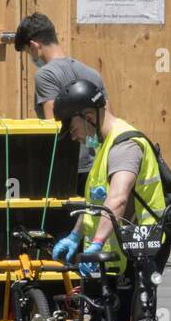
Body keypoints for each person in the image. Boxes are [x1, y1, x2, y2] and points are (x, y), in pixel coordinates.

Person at [50, 80, 168, 321]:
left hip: (137, 250)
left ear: (89, 116)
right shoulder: (105, 146)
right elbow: (98, 203)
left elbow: (118, 198)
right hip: (117, 253)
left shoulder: (124, 146)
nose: (74, 136)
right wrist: (76, 235)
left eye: (74, 128)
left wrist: (96, 244)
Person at [13, 13, 107, 195]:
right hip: (95, 166)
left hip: (66, 169)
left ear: (34, 45)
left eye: (28, 52)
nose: (31, 57)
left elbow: (52, 128)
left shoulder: (45, 75)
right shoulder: (92, 73)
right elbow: (107, 119)